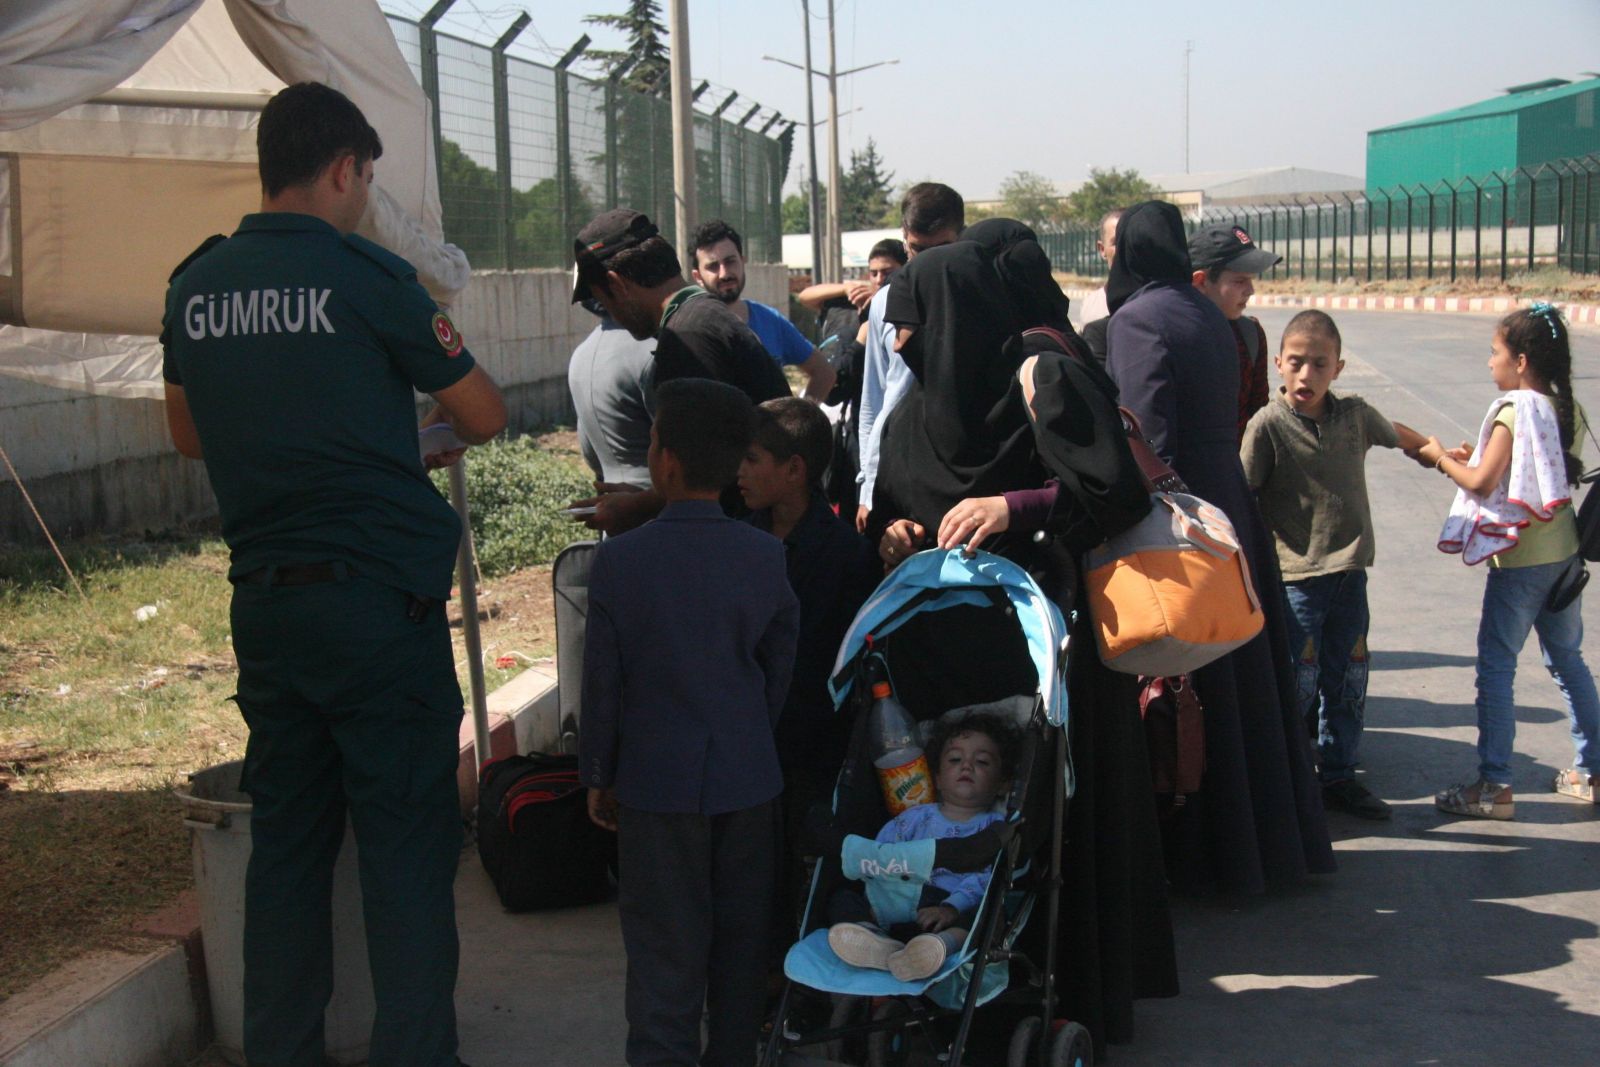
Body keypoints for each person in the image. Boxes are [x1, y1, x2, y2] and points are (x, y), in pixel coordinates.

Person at [160, 81, 507, 1067]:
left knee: (288, 849)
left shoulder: (195, 284)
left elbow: (190, 434)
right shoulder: (365, 276)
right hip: (377, 614)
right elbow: (480, 412)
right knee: (404, 847)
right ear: (345, 169)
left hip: (268, 610)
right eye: (366, 181)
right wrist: (408, 439)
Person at [882, 219, 1177, 1055]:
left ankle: (1054, 994)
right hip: (938, 664)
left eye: (913, 316)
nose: (901, 337)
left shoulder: (1038, 380)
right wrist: (894, 532)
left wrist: (1014, 507)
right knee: (956, 822)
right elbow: (882, 501)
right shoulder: (910, 416)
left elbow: (1115, 492)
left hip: (1043, 648)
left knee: (1046, 827)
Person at [1104, 200, 1334, 895]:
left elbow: (1146, 435)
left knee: (1193, 679)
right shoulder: (1204, 311)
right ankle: (1263, 845)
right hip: (1226, 501)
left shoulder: (1138, 318)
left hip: (1183, 510)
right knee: (1246, 688)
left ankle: (1210, 854)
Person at [581, 378, 800, 1066]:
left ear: (665, 461)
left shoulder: (619, 560)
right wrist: (747, 734)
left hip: (654, 783)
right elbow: (779, 667)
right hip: (746, 778)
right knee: (738, 948)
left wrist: (598, 772)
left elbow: (603, 683)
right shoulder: (765, 555)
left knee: (662, 951)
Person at [1240, 310, 1427, 821]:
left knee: (1348, 677)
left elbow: (1396, 433)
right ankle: (1294, 778)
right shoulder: (1268, 426)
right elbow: (1243, 492)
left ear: (1338, 368)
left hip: (1350, 578)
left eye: (1319, 364)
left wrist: (1436, 454)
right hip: (1297, 580)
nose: (1306, 375)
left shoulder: (1354, 416)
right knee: (1299, 680)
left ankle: (1339, 773)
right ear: (1278, 364)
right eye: (1296, 363)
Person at [1415, 304, 1598, 819]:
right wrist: (1481, 453)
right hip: (1565, 554)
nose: (1489, 361)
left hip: (1520, 565)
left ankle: (1494, 787)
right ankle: (1593, 770)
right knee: (1568, 661)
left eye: (1494, 352)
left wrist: (1439, 457)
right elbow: (1535, 469)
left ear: (1520, 361)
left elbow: (1483, 483)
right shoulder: (1567, 409)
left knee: (1496, 668)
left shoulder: (1514, 411)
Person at [737, 398, 877, 921]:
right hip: (747, 737)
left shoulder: (844, 554)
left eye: (752, 460)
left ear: (794, 469)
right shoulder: (740, 534)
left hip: (807, 746)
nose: (740, 472)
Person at [568, 208, 791, 534]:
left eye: (607, 301)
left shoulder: (686, 338)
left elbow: (706, 479)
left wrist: (636, 508)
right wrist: (646, 497)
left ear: (617, 284)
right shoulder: (702, 317)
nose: (614, 314)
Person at [826, 713, 1019, 982]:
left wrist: (952, 907)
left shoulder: (994, 828)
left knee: (990, 913)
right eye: (955, 759)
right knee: (843, 897)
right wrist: (878, 893)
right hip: (895, 901)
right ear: (937, 778)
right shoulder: (915, 816)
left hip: (946, 909)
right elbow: (882, 854)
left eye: (982, 761)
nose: (967, 766)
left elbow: (986, 878)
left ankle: (940, 947)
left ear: (1003, 784)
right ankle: (872, 941)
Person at [856, 183, 965, 535]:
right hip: (894, 477)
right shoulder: (885, 305)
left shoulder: (979, 300)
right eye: (919, 250)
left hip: (958, 480)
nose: (930, 263)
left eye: (942, 250)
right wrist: (868, 484)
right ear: (905, 241)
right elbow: (875, 399)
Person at [798, 238, 908, 517]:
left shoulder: (907, 305)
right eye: (874, 273)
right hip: (855, 422)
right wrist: (848, 288)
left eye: (888, 272)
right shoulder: (852, 307)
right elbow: (806, 295)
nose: (880, 279)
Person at [691, 219, 836, 402]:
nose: (724, 273)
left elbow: (824, 373)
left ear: (743, 262)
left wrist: (799, 421)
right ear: (697, 276)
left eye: (730, 262)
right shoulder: (690, 328)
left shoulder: (770, 320)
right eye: (713, 266)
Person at [1189, 223, 1283, 441]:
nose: (1250, 290)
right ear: (1200, 281)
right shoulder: (1171, 339)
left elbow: (1259, 420)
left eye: (1251, 280)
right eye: (1240, 281)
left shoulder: (1250, 335)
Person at [567, 298, 657, 489]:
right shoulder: (653, 350)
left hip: (611, 499)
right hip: (659, 500)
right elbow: (685, 448)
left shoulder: (580, 354)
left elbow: (590, 454)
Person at [1076, 207, 1122, 327]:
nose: (1124, 248)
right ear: (1102, 249)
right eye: (1116, 243)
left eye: (1128, 240)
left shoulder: (1152, 302)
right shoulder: (1091, 305)